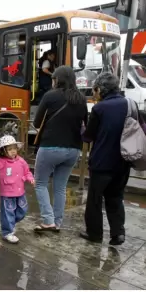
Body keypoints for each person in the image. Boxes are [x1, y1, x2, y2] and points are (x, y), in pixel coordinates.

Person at [80, 73, 134, 246]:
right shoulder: (130, 104)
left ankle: (94, 234)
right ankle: (118, 233)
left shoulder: (99, 109)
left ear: (100, 89)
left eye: (95, 90)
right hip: (124, 160)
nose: (94, 94)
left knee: (95, 199)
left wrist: (82, 129)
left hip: (102, 163)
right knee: (116, 196)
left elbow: (88, 136)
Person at [33, 66, 88, 232]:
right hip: (73, 150)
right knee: (60, 187)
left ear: (57, 80)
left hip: (50, 147)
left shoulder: (50, 95)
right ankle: (57, 222)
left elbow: (36, 123)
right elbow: (85, 124)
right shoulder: (81, 98)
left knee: (41, 183)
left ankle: (48, 220)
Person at [0, 135, 35, 244]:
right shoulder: (1, 161)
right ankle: (7, 232)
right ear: (3, 151)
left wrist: (30, 178)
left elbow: (27, 172)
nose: (13, 151)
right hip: (7, 194)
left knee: (22, 211)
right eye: (9, 149)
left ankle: (10, 223)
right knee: (8, 212)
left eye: (14, 148)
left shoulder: (21, 161)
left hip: (20, 192)